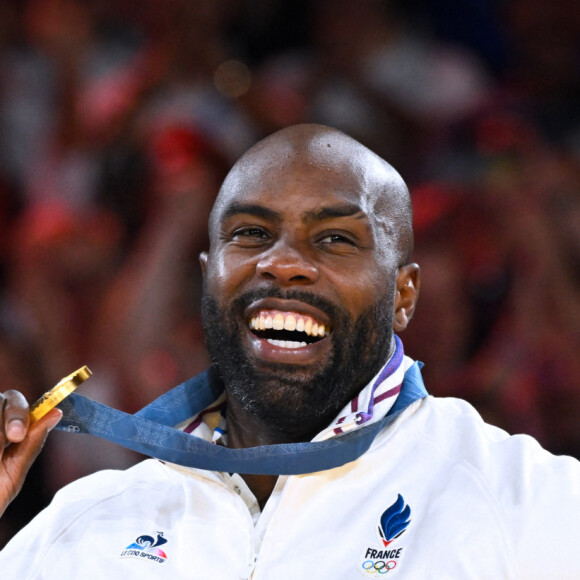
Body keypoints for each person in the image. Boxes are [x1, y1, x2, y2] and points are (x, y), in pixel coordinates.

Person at [0, 124, 579, 578]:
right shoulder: (85, 523)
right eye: (250, 233)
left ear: (402, 295)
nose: (282, 262)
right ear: (208, 278)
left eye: (335, 238)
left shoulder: (518, 500)